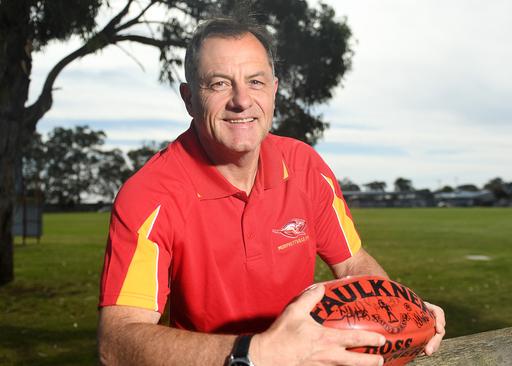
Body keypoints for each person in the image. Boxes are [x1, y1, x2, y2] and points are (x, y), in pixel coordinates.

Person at [97, 15, 445, 366]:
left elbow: (354, 263)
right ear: (189, 98)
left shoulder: (305, 166)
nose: (242, 100)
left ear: (274, 89)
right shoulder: (149, 194)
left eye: (256, 81)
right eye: (219, 83)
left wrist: (405, 313)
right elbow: (117, 340)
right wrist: (257, 353)